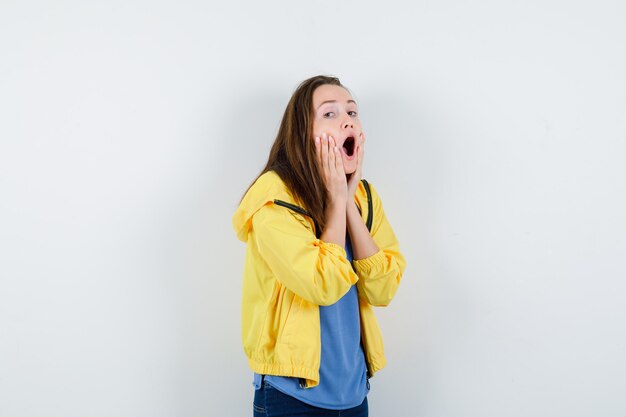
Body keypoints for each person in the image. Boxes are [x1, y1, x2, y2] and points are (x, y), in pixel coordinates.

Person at [232, 75, 406, 417]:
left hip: (354, 396)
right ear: (303, 133)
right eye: (330, 113)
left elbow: (384, 289)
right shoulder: (272, 198)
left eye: (352, 113)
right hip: (291, 398)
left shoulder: (365, 198)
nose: (347, 120)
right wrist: (335, 200)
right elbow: (321, 283)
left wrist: (347, 202)